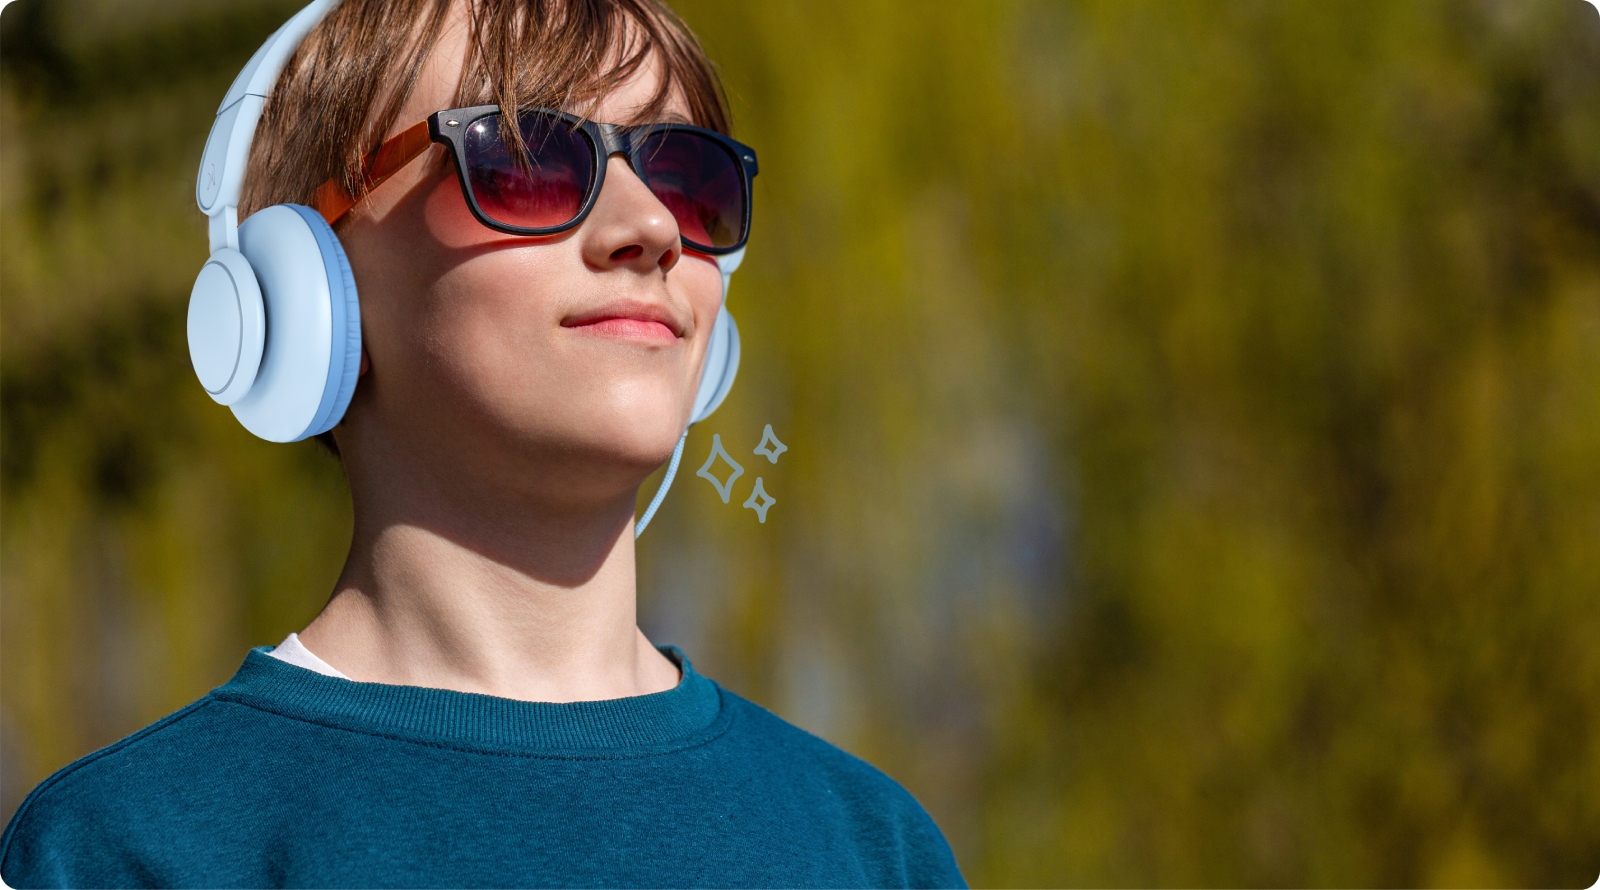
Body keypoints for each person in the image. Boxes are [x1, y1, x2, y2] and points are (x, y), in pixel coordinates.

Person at [0, 0, 965, 886]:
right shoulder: (124, 850)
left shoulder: (874, 847)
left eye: (687, 176)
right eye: (528, 159)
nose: (650, 229)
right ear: (301, 286)